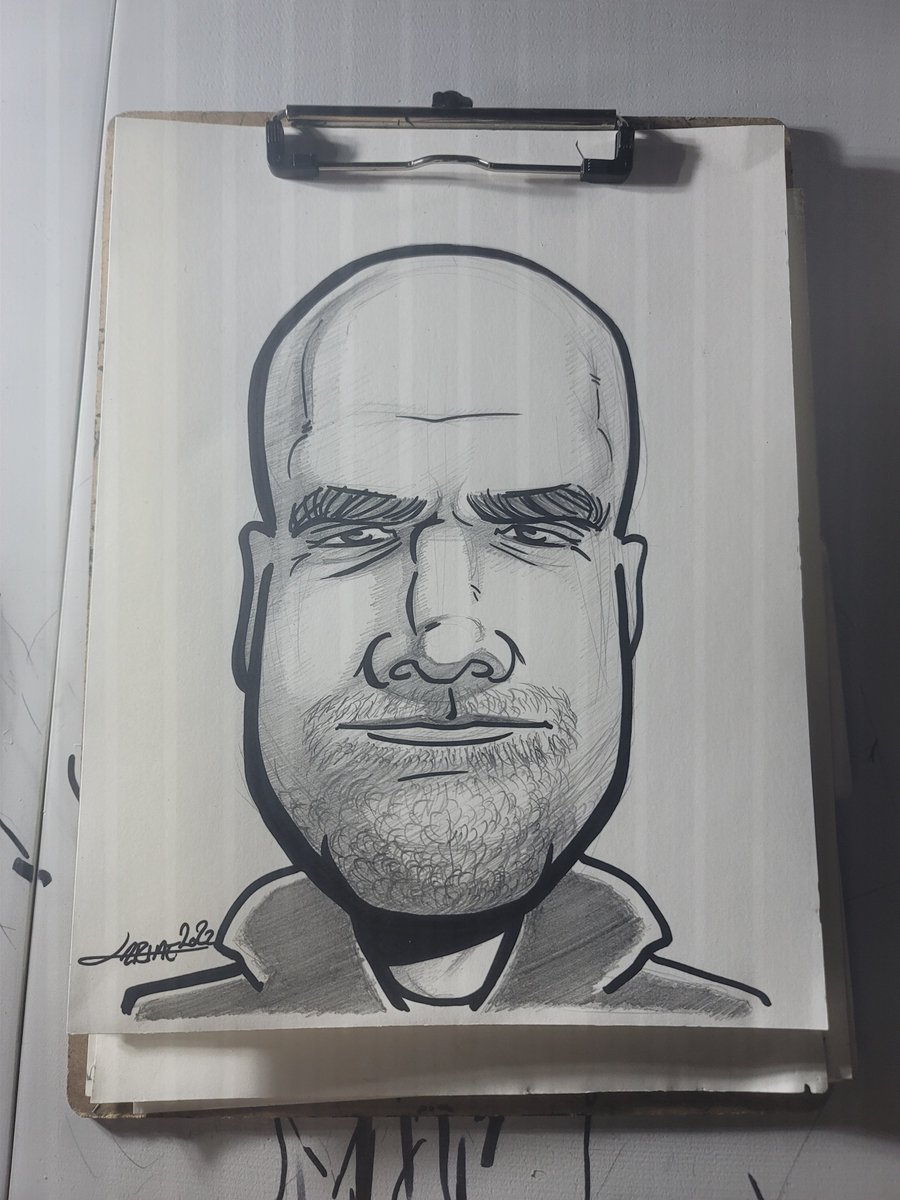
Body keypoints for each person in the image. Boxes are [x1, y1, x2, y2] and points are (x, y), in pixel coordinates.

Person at [125, 246, 769, 1021]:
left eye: (534, 531)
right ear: (258, 605)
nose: (446, 647)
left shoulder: (730, 1029)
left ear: (624, 604)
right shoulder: (156, 1034)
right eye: (354, 534)